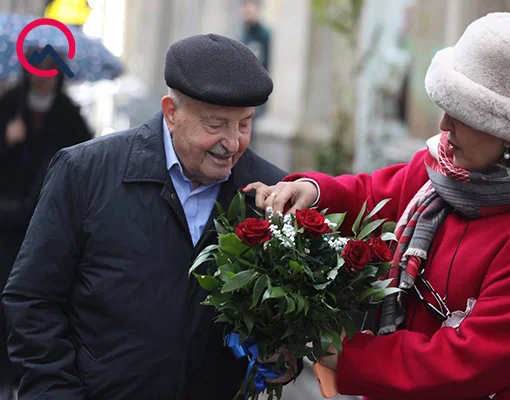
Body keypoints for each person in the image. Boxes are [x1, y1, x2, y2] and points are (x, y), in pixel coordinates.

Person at [244, 13, 510, 399]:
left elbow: (469, 362)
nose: (443, 125)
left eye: (462, 115)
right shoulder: (451, 166)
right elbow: (377, 197)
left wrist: (346, 354)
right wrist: (315, 191)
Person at [2, 34, 294, 400]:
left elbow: (284, 320)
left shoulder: (271, 194)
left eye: (245, 124)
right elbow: (32, 299)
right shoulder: (84, 172)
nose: (232, 143)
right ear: (172, 113)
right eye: (216, 125)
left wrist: (284, 347)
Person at [0, 50, 92, 399]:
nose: (43, 76)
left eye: (50, 71)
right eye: (37, 70)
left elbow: (84, 159)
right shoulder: (10, 104)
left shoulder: (69, 115)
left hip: (50, 219)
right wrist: (7, 142)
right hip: (7, 223)